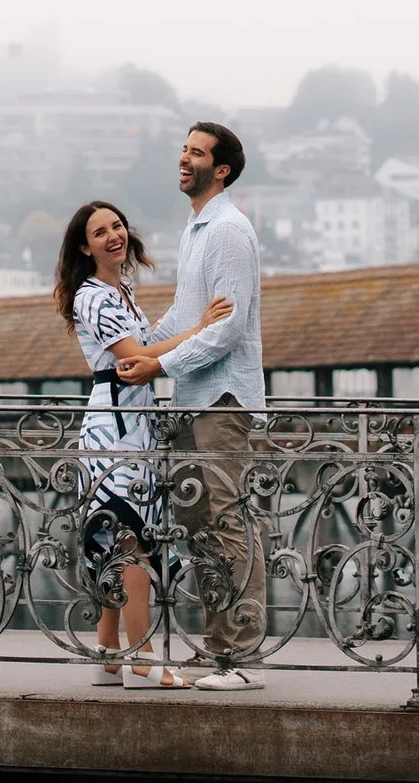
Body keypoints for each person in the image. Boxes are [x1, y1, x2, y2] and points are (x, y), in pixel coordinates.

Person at [53, 200, 234, 690]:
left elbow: (146, 344)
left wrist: (189, 324)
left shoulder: (121, 289)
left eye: (117, 226)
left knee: (123, 536)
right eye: (100, 232)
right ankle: (143, 658)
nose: (113, 235)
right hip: (114, 426)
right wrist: (200, 330)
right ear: (83, 247)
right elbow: (132, 358)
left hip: (134, 420)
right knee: (131, 540)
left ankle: (109, 651)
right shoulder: (92, 297)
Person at [118, 121, 266, 691]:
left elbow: (225, 329)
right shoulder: (197, 229)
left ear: (221, 168)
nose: (184, 158)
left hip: (222, 400)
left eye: (196, 153)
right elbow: (186, 316)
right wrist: (137, 350)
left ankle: (240, 659)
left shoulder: (229, 231)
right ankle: (218, 648)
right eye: (183, 149)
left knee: (228, 525)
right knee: (201, 529)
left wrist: (157, 365)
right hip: (193, 399)